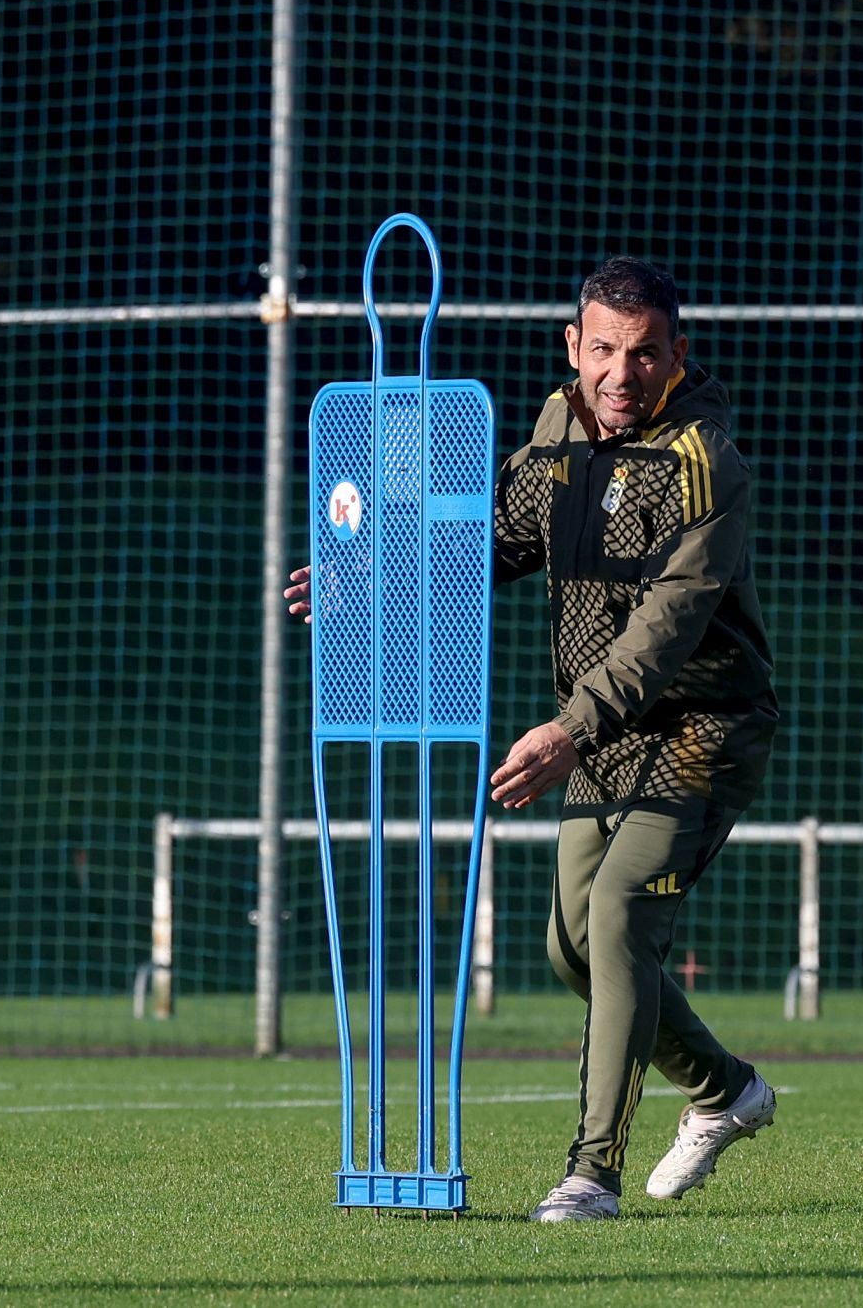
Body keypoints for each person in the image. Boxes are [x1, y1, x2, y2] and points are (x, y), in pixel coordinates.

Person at [287, 255, 779, 1223]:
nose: (621, 374)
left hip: (700, 727)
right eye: (604, 351)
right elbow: (488, 543)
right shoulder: (557, 430)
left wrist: (567, 727)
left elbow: (663, 632)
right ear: (574, 347)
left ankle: (590, 1174)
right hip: (597, 733)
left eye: (644, 355)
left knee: (623, 913)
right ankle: (726, 1092)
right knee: (571, 949)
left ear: (679, 353)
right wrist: (371, 580)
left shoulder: (707, 466)